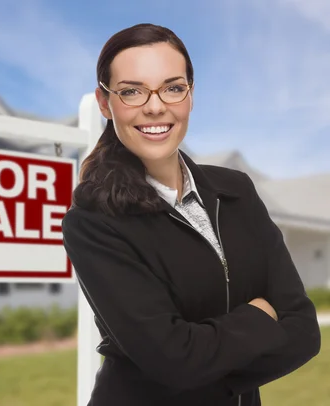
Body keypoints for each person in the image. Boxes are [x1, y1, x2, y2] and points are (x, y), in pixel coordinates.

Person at [62, 23, 321, 406]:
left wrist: (199, 366)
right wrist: (260, 318)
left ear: (191, 94)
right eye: (132, 91)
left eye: (172, 87)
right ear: (105, 103)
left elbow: (303, 331)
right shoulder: (93, 222)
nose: (155, 106)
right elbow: (174, 361)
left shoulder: (236, 192)